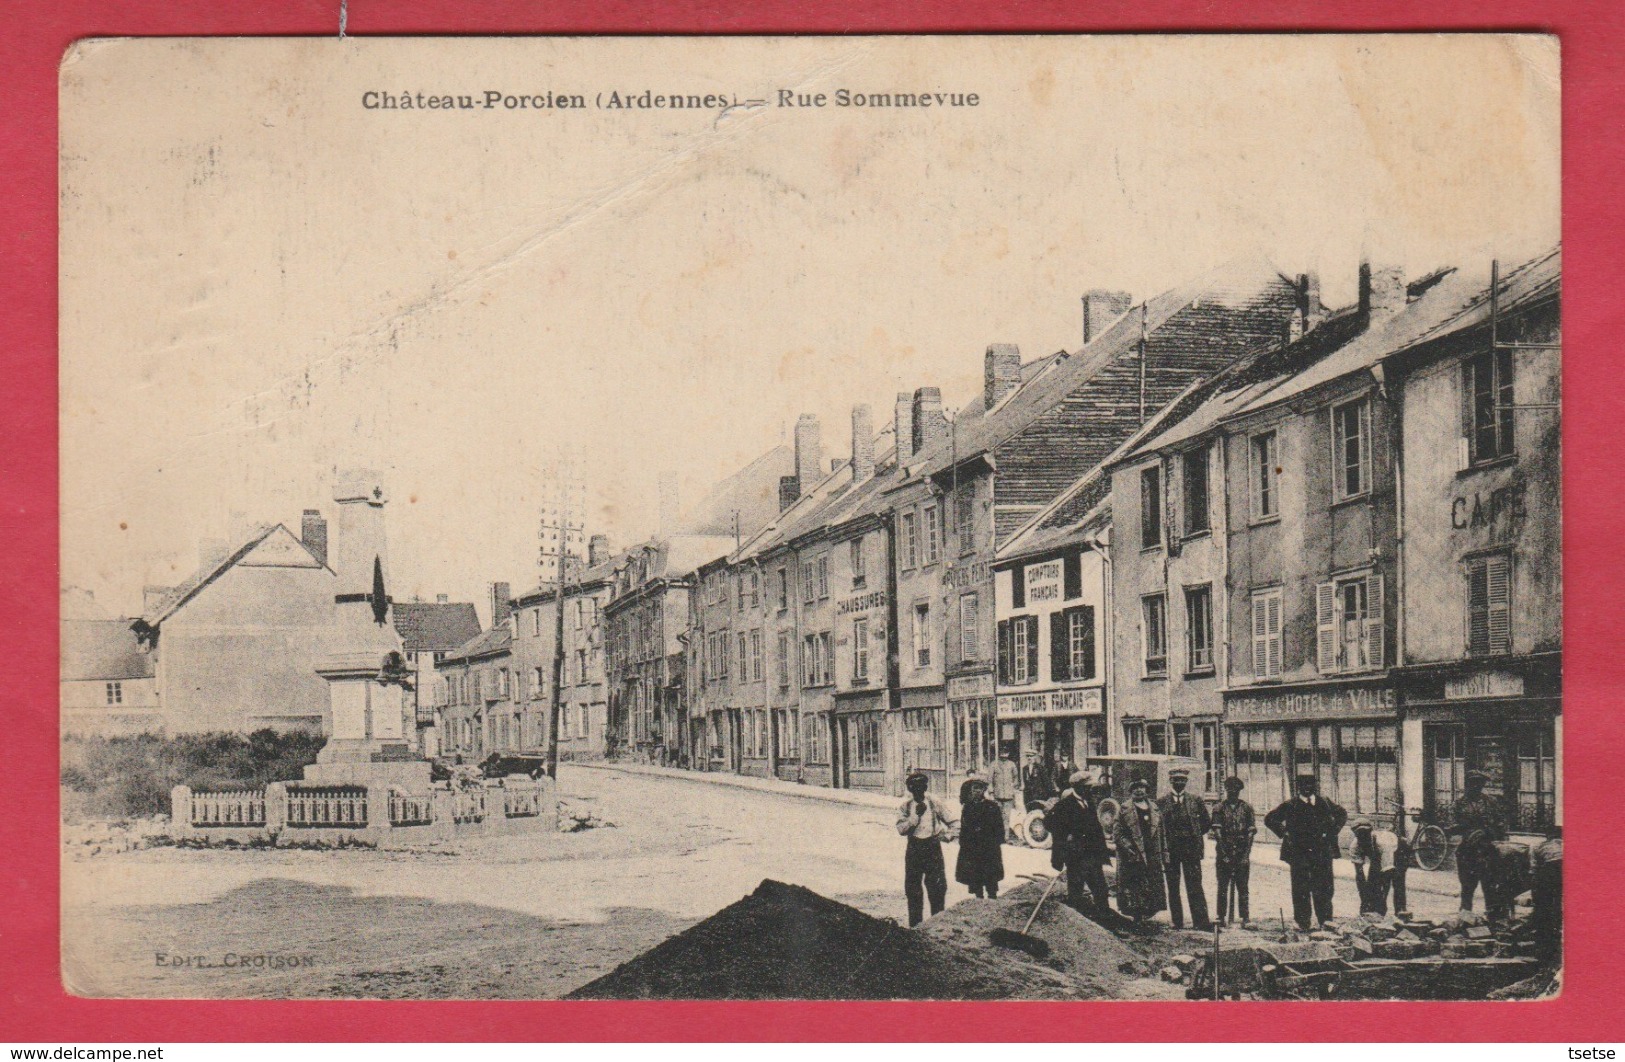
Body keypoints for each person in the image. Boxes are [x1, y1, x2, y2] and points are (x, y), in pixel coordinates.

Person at [1263, 773, 1348, 930]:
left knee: (1324, 887)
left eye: (1311, 785)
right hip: (1298, 852)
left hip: (1321, 852)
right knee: (1301, 888)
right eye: (1304, 785)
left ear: (1315, 786)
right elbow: (1270, 819)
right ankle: (1303, 923)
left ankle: (1326, 921)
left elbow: (1342, 814)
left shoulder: (1325, 802)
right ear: (1298, 787)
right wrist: (1284, 832)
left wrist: (1333, 831)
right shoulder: (1291, 805)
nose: (1308, 788)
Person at [1047, 769, 1112, 918]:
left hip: (1092, 856)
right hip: (1075, 857)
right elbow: (1049, 822)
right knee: (1076, 892)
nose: (1090, 789)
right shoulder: (1065, 805)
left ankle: (1107, 923)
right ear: (1078, 787)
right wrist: (1065, 836)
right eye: (1087, 786)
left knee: (1101, 891)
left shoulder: (1088, 801)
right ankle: (1076, 926)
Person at [896, 771, 958, 926]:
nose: (918, 790)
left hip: (932, 847)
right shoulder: (906, 806)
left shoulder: (934, 802)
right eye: (914, 787)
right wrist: (914, 818)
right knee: (913, 888)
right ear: (910, 789)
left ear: (925, 787)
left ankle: (936, 924)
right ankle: (915, 926)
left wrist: (947, 836)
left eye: (921, 786)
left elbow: (954, 822)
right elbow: (901, 829)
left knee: (937, 887)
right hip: (914, 848)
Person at [1158, 766, 1213, 930]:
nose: (1179, 783)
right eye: (1176, 780)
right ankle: (1177, 921)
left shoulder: (1195, 800)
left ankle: (1201, 921)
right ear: (1170, 781)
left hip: (1191, 850)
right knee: (1173, 887)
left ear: (1187, 782)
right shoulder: (1161, 802)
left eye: (1182, 780)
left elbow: (1205, 823)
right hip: (1171, 851)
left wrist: (1193, 837)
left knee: (1195, 885)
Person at [1449, 769, 1509, 913]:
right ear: (1467, 784)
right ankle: (1465, 917)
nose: (1476, 786)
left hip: (1488, 850)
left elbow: (1502, 824)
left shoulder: (1491, 802)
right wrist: (1466, 828)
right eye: (1473, 783)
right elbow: (1451, 826)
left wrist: (1490, 831)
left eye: (1479, 783)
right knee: (1467, 887)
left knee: (1490, 886)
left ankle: (1493, 918)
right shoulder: (1458, 804)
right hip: (1467, 851)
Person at [1112, 777, 1168, 923]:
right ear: (1131, 791)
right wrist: (1129, 848)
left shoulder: (1154, 808)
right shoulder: (1124, 809)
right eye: (1135, 788)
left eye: (1142, 787)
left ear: (1146, 790)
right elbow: (1118, 834)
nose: (1139, 790)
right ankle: (1136, 916)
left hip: (1152, 852)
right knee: (1134, 884)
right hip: (1133, 853)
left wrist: (1164, 852)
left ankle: (1147, 913)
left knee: (1151, 882)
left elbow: (1162, 833)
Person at [1212, 776, 1256, 926]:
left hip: (1241, 852)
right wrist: (1223, 854)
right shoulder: (1219, 808)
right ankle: (1221, 916)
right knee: (1222, 885)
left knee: (1243, 886)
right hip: (1224, 851)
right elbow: (1217, 832)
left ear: (1239, 791)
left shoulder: (1247, 808)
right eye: (1230, 790)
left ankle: (1245, 917)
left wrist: (1246, 855)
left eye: (1235, 790)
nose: (1232, 793)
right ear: (1226, 790)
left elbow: (1250, 832)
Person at [955, 774, 1005, 899]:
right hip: (974, 848)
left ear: (984, 790)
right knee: (976, 876)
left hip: (989, 847)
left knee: (990, 876)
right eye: (974, 788)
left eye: (979, 788)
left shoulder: (992, 806)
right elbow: (965, 827)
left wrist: (996, 841)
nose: (977, 791)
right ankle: (979, 899)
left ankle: (992, 897)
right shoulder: (968, 807)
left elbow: (999, 827)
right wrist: (965, 844)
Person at [1348, 816, 1402, 916]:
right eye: (1360, 836)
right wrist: (1364, 900)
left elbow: (1387, 874)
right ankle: (1371, 909)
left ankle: (1400, 912)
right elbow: (1359, 875)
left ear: (1371, 832)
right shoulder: (1355, 846)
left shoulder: (1382, 843)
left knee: (1397, 881)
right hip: (1377, 856)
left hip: (1398, 851)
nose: (1363, 837)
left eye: (1366, 835)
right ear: (1356, 835)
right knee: (1371, 883)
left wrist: (1382, 901)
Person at [990, 746, 1023, 842]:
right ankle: (997, 837)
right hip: (997, 795)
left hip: (1008, 795)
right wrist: (991, 792)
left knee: (1007, 817)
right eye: (1002, 753)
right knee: (997, 816)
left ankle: (1006, 837)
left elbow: (1016, 778)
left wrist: (1013, 786)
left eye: (1006, 753)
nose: (1004, 755)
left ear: (1008, 754)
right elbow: (990, 780)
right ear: (999, 754)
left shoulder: (1012, 765)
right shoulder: (994, 764)